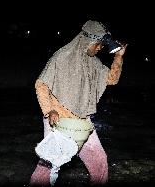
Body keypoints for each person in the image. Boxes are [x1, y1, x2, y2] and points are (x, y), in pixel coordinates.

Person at [29, 20, 127, 186]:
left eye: (102, 46)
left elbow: (111, 79)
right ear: (86, 41)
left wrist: (118, 56)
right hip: (58, 120)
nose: (99, 49)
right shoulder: (61, 56)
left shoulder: (93, 62)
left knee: (99, 161)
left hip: (82, 121)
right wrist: (49, 110)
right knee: (50, 165)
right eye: (98, 45)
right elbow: (41, 84)